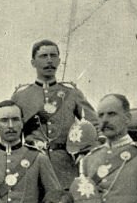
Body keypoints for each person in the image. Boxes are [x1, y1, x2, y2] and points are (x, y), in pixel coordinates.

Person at [11, 39, 98, 188]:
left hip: (65, 168)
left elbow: (94, 125)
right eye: (43, 56)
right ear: (33, 62)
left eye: (53, 56)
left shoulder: (71, 93)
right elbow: (12, 132)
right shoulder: (20, 96)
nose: (49, 60)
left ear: (59, 60)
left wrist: (84, 151)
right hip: (32, 165)